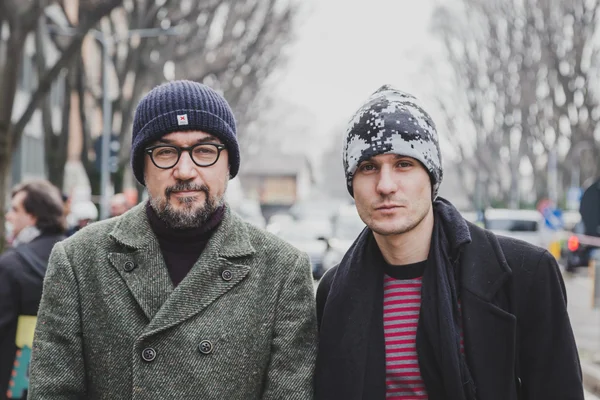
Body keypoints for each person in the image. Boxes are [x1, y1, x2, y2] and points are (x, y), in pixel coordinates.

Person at [28, 80, 317, 399]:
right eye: (165, 152)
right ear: (142, 167)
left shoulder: (282, 270)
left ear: (229, 164)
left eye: (204, 151)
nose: (184, 170)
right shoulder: (78, 260)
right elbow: (52, 391)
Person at [315, 85, 583, 400]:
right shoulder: (334, 290)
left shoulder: (526, 273)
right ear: (352, 185)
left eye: (404, 164)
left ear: (431, 177)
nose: (385, 185)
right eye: (368, 167)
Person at [0, 180, 66, 400]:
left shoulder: (11, 264)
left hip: (16, 380)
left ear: (33, 216)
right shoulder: (77, 256)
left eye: (15, 209)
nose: (8, 216)